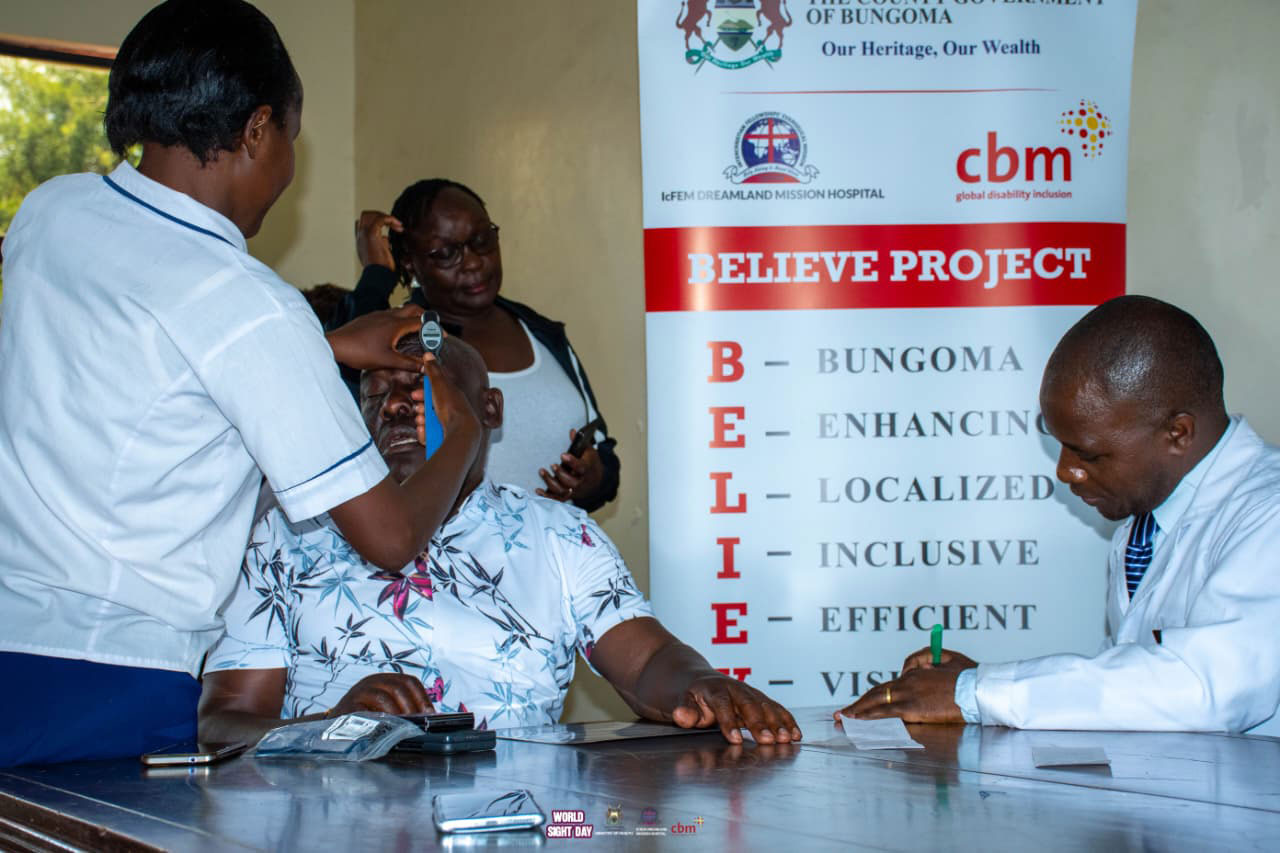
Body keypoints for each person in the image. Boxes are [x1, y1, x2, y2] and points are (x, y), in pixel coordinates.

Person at [0, 0, 479, 767]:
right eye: (292, 137)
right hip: (107, 675)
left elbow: (140, 358)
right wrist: (468, 433)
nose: (290, 166)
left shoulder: (48, 212)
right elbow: (391, 538)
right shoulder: (249, 303)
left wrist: (320, 347)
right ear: (258, 130)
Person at [199, 334, 802, 746]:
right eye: (375, 397)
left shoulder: (559, 534)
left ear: (487, 409)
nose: (394, 409)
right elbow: (224, 721)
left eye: (421, 389)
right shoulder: (289, 536)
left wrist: (703, 683)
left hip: (522, 814)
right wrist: (328, 728)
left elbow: (645, 661)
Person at [839, 295, 1280, 735]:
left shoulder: (1268, 514)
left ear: (1178, 433)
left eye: (1088, 454)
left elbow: (1209, 688)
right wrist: (979, 684)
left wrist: (978, 692)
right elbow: (1135, 688)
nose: (1066, 471)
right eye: (1061, 446)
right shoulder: (1147, 520)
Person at [330, 182, 619, 512]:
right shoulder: (402, 344)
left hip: (555, 542)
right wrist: (377, 275)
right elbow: (335, 378)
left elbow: (604, 458)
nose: (472, 263)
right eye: (446, 253)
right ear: (410, 263)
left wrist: (591, 477)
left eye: (482, 240)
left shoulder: (542, 333)